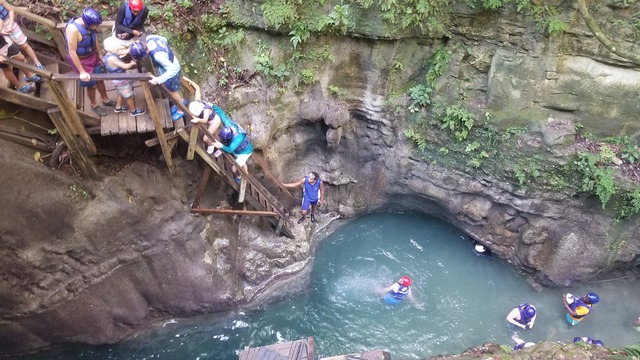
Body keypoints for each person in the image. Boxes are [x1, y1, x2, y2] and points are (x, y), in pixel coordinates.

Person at [64, 8, 114, 116]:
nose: (96, 27)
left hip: (92, 55)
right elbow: (72, 52)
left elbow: (94, 38)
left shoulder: (90, 27)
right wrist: (82, 72)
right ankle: (94, 104)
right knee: (91, 85)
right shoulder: (73, 30)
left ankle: (105, 99)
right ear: (88, 23)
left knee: (100, 78)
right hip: (80, 60)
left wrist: (100, 54)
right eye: (95, 25)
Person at [129, 36, 185, 121]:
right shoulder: (150, 38)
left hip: (173, 69)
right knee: (167, 87)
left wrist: (158, 79)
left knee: (173, 91)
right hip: (165, 66)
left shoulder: (158, 56)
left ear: (146, 52)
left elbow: (172, 69)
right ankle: (178, 103)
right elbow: (164, 39)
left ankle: (181, 109)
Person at [206, 106, 253, 182]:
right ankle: (245, 173)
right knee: (242, 162)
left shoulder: (238, 138)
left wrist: (220, 145)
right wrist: (212, 106)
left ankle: (238, 176)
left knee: (234, 168)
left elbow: (230, 150)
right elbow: (222, 115)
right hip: (238, 150)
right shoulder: (229, 125)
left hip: (244, 152)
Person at [102, 37, 145, 116]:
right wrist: (132, 63)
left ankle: (118, 107)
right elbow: (125, 66)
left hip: (116, 79)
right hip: (120, 80)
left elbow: (121, 52)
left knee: (121, 92)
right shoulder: (112, 58)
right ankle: (133, 111)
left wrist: (130, 49)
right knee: (129, 95)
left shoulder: (106, 55)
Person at [0, 0, 44, 71]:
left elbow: (11, 10)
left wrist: (10, 25)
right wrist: (1, 31)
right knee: (13, 52)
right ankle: (27, 71)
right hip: (1, 33)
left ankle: (37, 63)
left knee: (24, 45)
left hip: (10, 24)